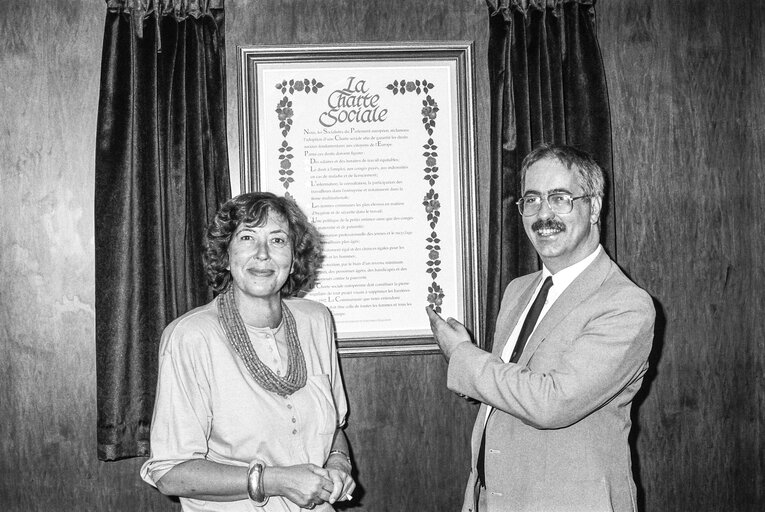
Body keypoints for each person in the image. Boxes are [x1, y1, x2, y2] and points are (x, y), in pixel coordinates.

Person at [426, 144, 655, 512]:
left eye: (560, 198)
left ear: (593, 207)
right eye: (531, 200)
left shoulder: (626, 305)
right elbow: (509, 388)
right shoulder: (519, 290)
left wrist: (463, 356)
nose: (543, 215)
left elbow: (551, 403)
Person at [140, 192, 355, 511]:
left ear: (294, 257)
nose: (263, 254)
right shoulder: (191, 337)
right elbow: (171, 475)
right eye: (247, 237)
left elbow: (333, 428)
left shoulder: (316, 320)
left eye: (278, 240)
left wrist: (339, 465)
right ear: (226, 256)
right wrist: (274, 480)